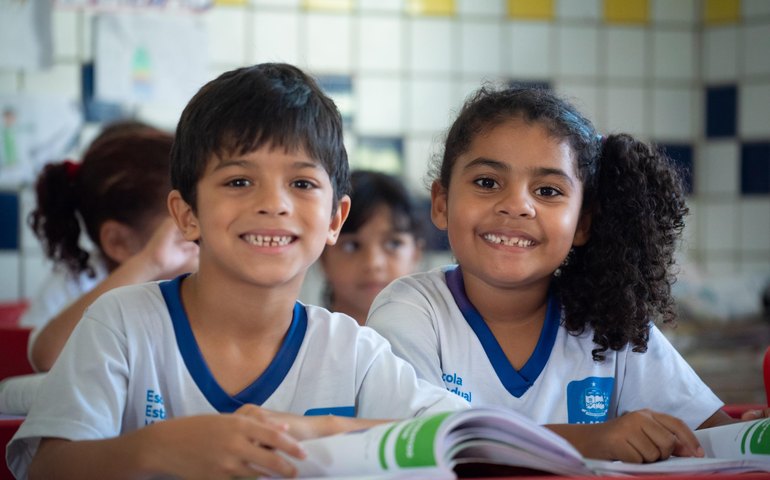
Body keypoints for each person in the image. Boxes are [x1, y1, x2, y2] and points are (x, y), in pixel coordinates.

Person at [7, 63, 469, 479]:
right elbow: (49, 467)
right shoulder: (124, 325)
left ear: (334, 219)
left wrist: (327, 430)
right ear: (187, 215)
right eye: (239, 181)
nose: (273, 203)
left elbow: (468, 436)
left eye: (302, 182)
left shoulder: (354, 353)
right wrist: (156, 447)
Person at [367, 85, 759, 464]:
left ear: (583, 223)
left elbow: (701, 438)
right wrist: (591, 440)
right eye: (487, 182)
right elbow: (422, 439)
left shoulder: (611, 322)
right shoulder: (410, 309)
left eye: (548, 191)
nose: (516, 206)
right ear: (442, 203)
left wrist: (742, 436)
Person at [20, 125, 200, 372]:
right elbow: (46, 359)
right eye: (182, 236)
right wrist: (149, 262)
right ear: (118, 242)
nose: (201, 244)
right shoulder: (77, 283)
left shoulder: (200, 284)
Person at [319, 169, 424, 324]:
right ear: (322, 255)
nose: (373, 263)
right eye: (352, 246)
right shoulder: (303, 345)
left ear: (416, 252)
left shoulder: (438, 345)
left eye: (393, 243)